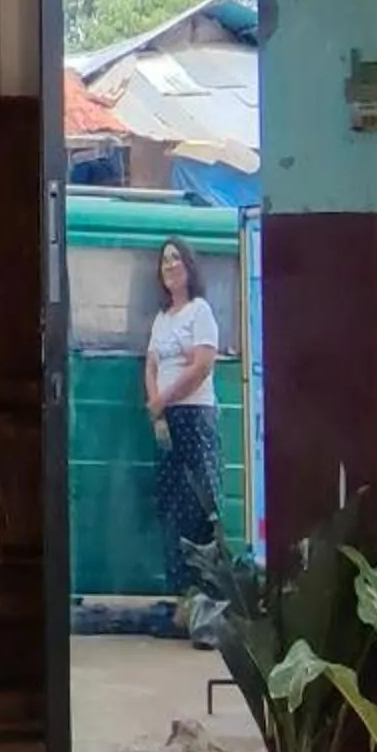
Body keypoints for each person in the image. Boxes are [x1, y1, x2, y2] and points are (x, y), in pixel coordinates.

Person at [144, 239, 224, 605]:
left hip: (193, 416)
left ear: (189, 266)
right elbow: (152, 364)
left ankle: (207, 599)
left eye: (176, 258)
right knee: (171, 505)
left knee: (199, 504)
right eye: (164, 261)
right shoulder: (162, 319)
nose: (170, 265)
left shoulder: (200, 312)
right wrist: (156, 406)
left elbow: (202, 365)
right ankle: (180, 596)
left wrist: (165, 398)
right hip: (167, 419)